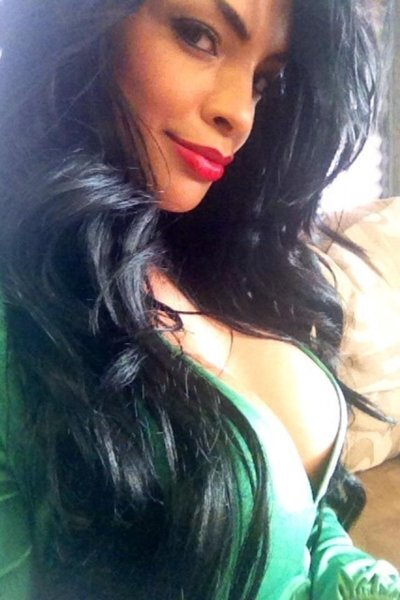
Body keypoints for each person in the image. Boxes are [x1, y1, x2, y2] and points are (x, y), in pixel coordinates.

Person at [0, 0, 398, 598]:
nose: (240, 113)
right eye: (199, 36)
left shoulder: (219, 257)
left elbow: (313, 521)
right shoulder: (23, 320)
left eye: (264, 81)